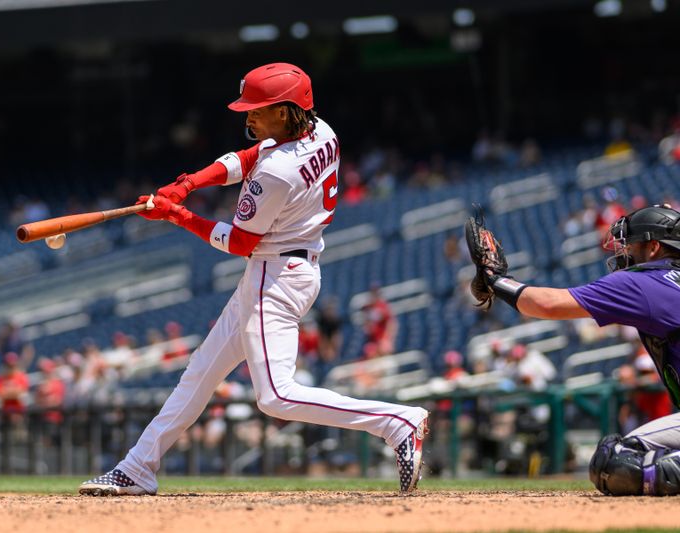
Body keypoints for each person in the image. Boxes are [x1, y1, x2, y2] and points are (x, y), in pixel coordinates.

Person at [79, 62, 428, 497]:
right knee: (200, 373)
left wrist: (178, 216)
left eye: (257, 109)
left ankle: (398, 423)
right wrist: (187, 184)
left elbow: (241, 242)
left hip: (275, 275)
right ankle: (137, 467)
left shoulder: (278, 171)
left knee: (275, 396)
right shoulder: (321, 130)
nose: (248, 116)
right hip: (288, 267)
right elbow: (249, 156)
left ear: (284, 111)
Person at [467, 204, 680, 496]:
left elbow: (545, 304)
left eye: (632, 245)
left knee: (615, 461)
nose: (625, 252)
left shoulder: (645, 281)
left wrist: (495, 279)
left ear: (654, 247)